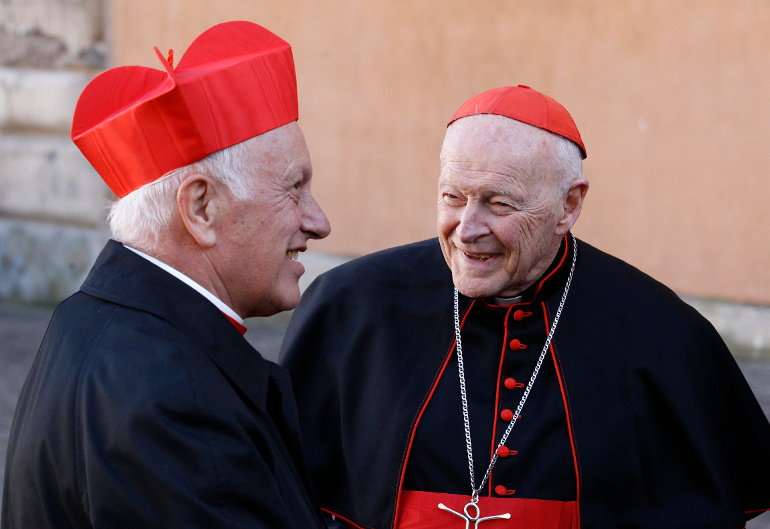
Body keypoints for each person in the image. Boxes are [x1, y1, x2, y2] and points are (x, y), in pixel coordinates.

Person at [280, 85, 770, 528]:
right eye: (453, 197)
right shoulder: (352, 306)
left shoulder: (662, 334)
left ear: (569, 206)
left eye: (500, 204)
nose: (467, 229)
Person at [2, 21, 330, 528]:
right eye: (293, 189)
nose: (318, 222)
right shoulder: (178, 399)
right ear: (200, 208)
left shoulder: (84, 321)